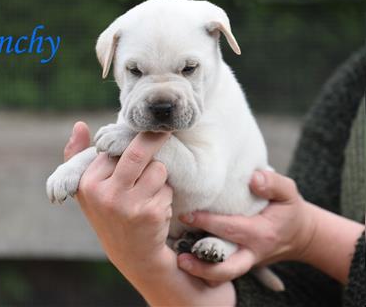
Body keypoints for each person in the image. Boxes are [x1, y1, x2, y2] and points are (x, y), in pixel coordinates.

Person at [60, 46, 365, 306]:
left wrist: (310, 235)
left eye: (189, 69)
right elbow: (302, 289)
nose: (163, 97)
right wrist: (145, 264)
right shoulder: (352, 87)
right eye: (136, 71)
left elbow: (202, 181)